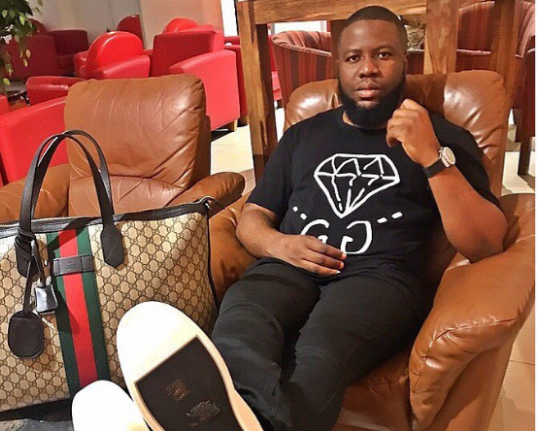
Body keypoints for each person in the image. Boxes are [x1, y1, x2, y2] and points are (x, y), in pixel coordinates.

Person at [210, 5, 507, 431]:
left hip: (379, 280)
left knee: (319, 355)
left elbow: (486, 242)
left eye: (383, 55)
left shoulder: (443, 138)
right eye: (354, 57)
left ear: (405, 61)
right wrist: (278, 243)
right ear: (338, 65)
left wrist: (431, 157)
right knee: (239, 328)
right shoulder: (303, 135)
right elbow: (254, 213)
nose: (368, 69)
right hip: (288, 265)